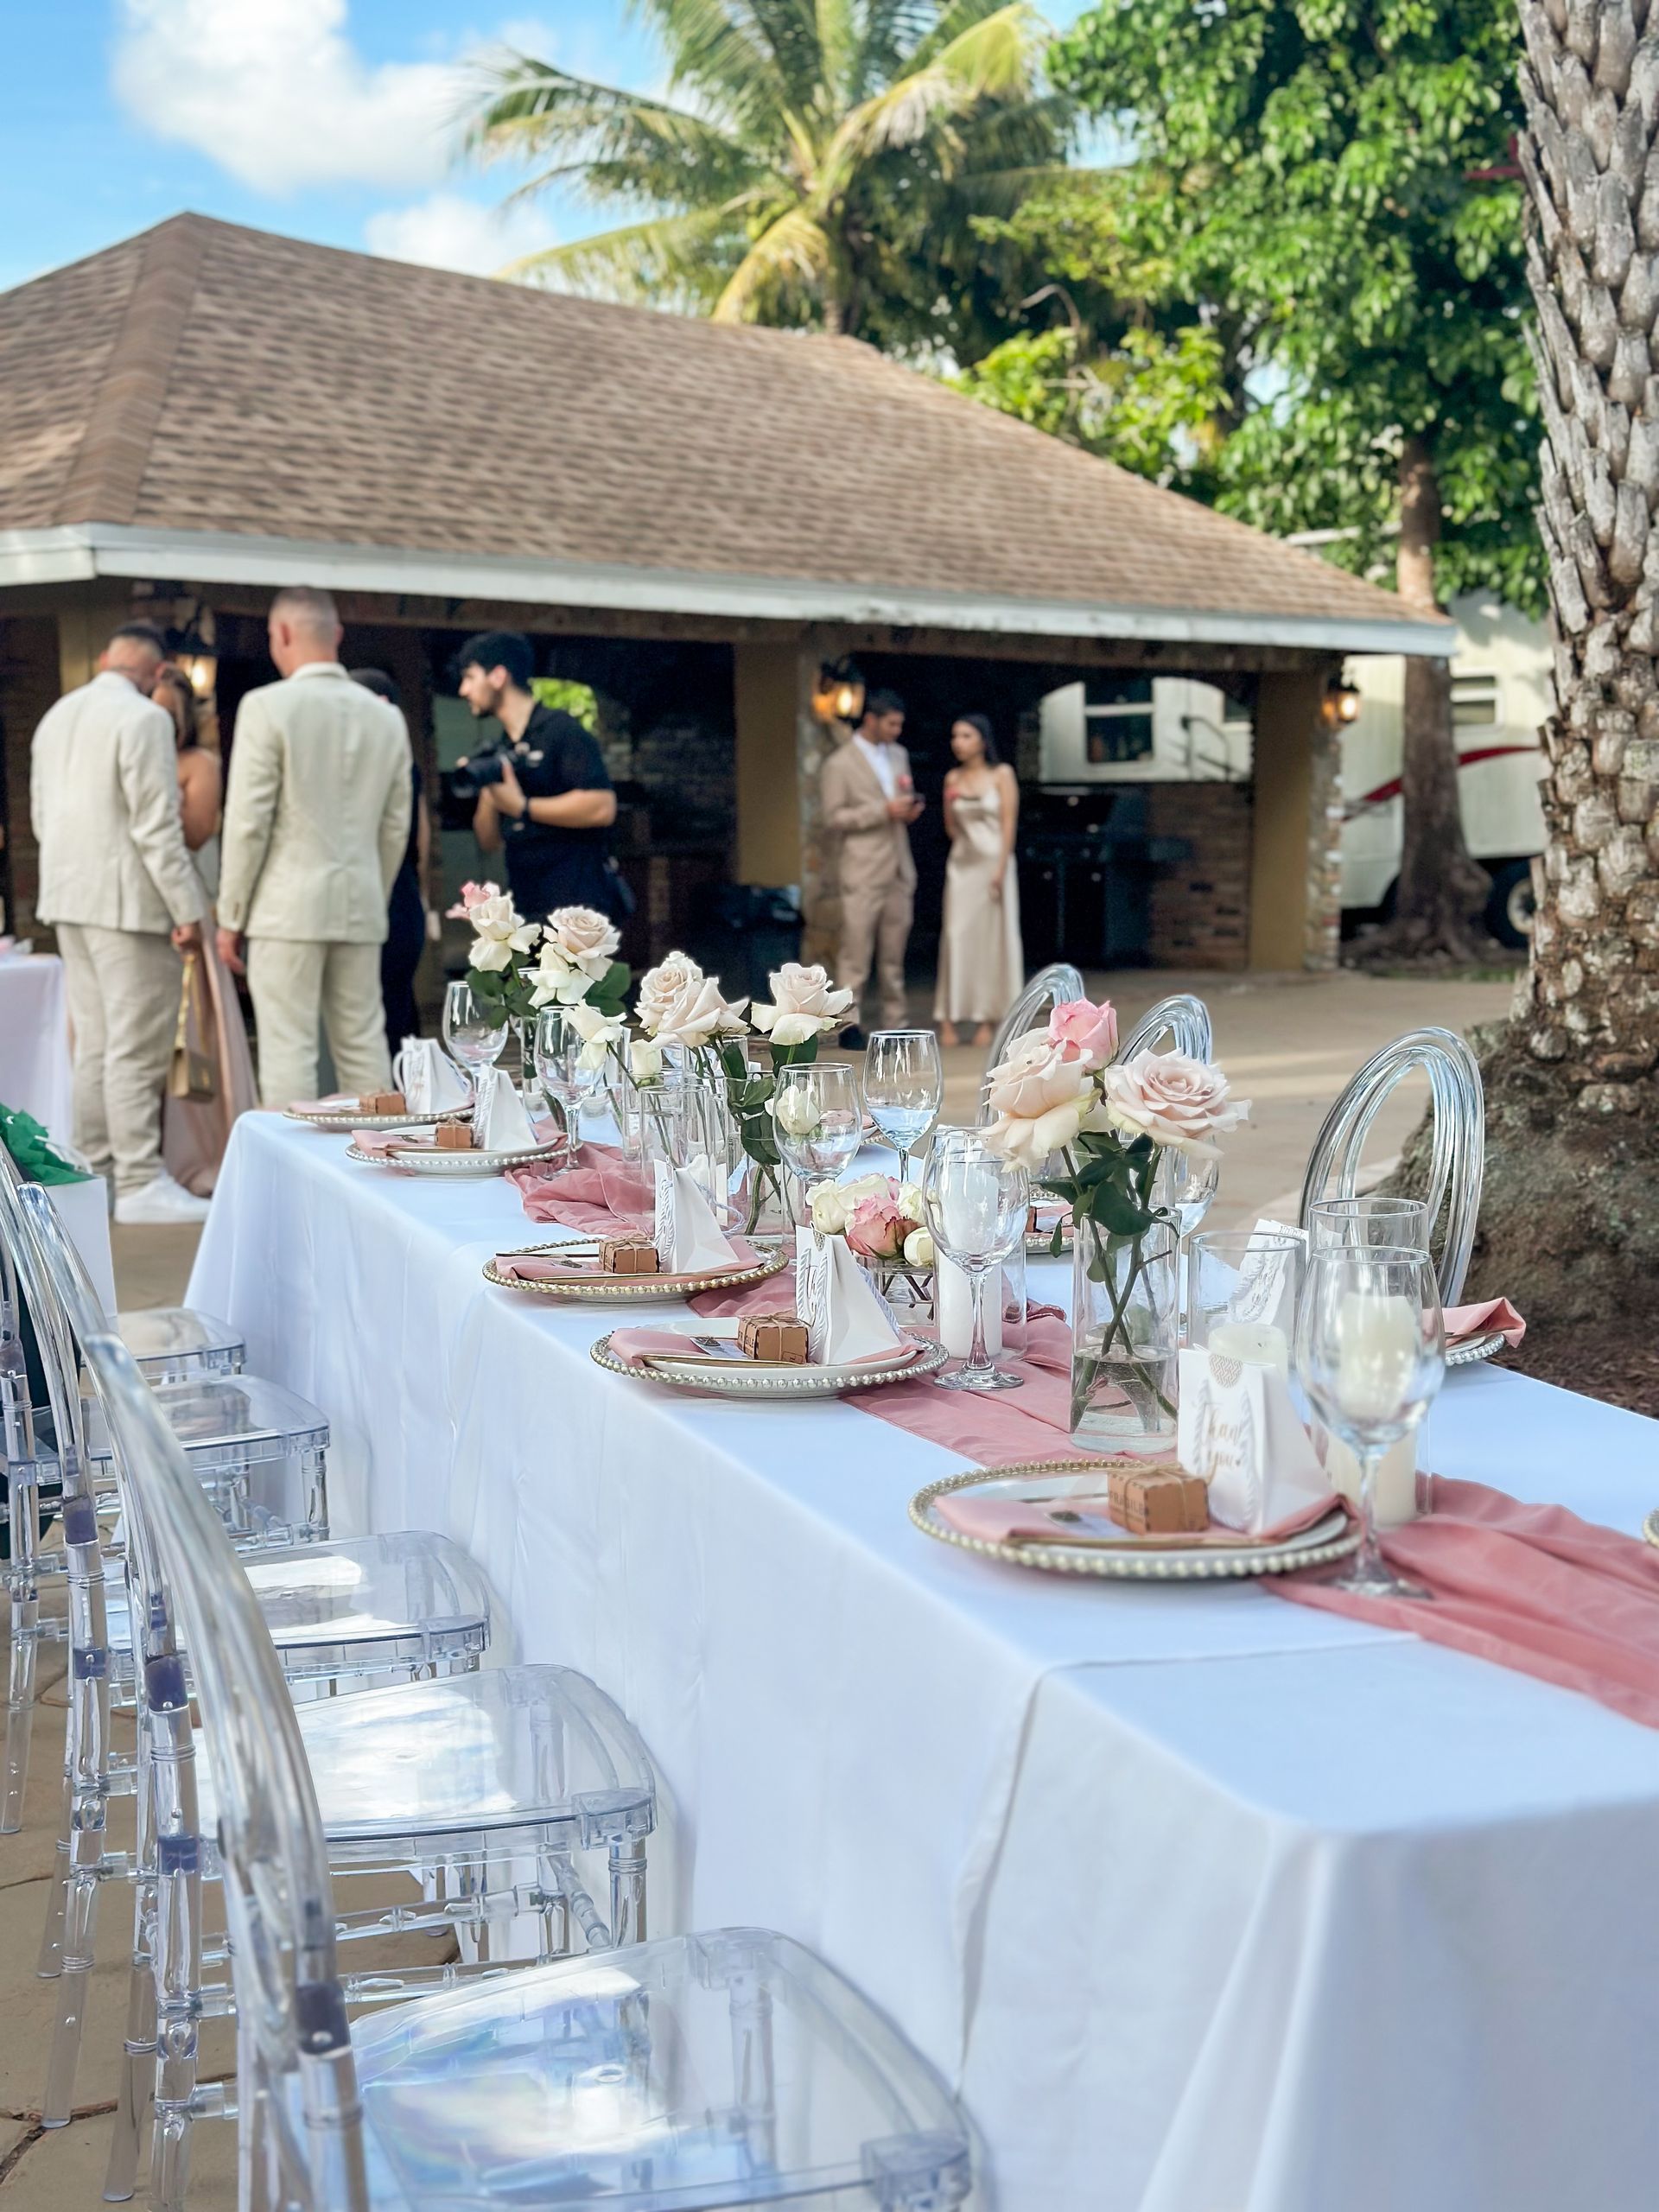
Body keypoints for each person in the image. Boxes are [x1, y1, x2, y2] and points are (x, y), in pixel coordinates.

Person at [29, 620, 209, 1223]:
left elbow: (39, 818)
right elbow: (155, 826)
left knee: (98, 1047)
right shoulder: (145, 719)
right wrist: (188, 908)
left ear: (106, 657)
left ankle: (97, 1177)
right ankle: (137, 1181)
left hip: (67, 896)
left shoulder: (56, 716)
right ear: (158, 673)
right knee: (134, 1048)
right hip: (129, 903)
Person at [217, 588, 412, 1109]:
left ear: (280, 634)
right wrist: (375, 887)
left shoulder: (266, 707)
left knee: (288, 1048)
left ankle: (291, 1182)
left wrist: (230, 914)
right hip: (361, 900)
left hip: (285, 908)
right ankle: (376, 1166)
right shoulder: (386, 717)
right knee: (364, 1042)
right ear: (338, 636)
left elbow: (247, 822)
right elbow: (396, 827)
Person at [150, 664, 258, 1193]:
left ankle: (205, 1146)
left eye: (169, 711)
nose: (160, 720)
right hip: (142, 905)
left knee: (196, 1031)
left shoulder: (200, 763)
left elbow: (193, 834)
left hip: (191, 895)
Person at [456, 632, 618, 922]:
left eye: (470, 677)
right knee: (530, 971)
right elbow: (488, 840)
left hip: (578, 911)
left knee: (569, 971)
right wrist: (487, 783)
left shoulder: (560, 731)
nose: (463, 690)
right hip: (527, 908)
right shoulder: (502, 749)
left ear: (498, 676)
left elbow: (602, 807)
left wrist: (522, 807)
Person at [819, 688, 923, 1047]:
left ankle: (897, 1023)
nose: (897, 730)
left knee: (894, 953)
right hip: (862, 867)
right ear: (871, 720)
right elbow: (833, 818)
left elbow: (901, 795)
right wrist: (882, 812)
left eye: (900, 724)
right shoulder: (839, 763)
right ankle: (849, 1024)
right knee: (856, 953)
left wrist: (906, 810)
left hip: (898, 863)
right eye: (891, 724)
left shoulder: (898, 754)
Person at [350, 668, 429, 1047]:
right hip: (404, 893)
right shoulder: (406, 767)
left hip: (385, 895)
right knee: (397, 1003)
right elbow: (423, 844)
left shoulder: (360, 770)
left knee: (383, 1006)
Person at [934, 713, 1024, 1048]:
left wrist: (1000, 868)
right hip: (962, 864)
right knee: (955, 936)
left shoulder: (1002, 774)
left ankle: (990, 1018)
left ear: (983, 741)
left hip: (993, 863)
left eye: (966, 736)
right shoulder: (952, 778)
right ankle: (948, 1018)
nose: (958, 742)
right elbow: (951, 828)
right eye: (955, 736)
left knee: (992, 939)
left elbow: (1008, 823)